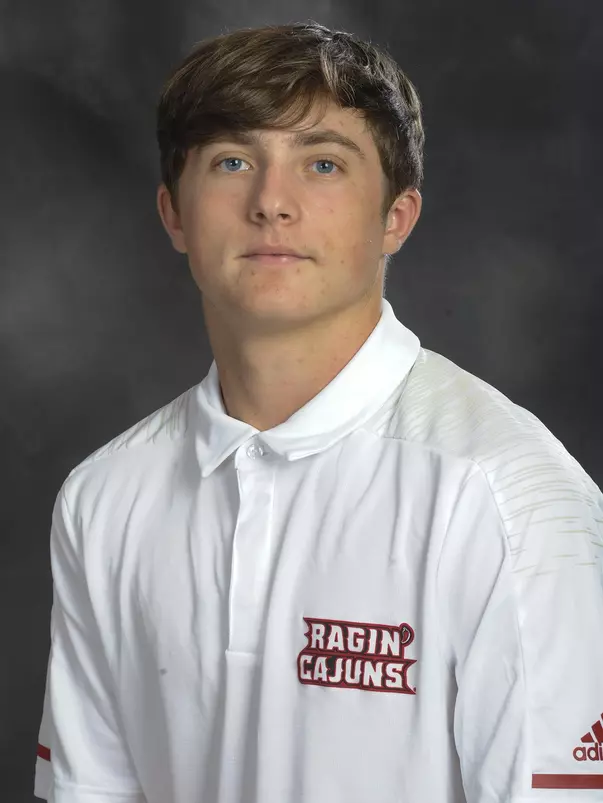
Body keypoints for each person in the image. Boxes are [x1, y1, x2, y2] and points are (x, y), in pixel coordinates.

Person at [34, 20, 603, 803]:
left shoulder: (504, 495)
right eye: (233, 161)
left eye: (323, 164)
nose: (272, 202)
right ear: (173, 213)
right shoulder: (105, 497)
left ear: (394, 218)